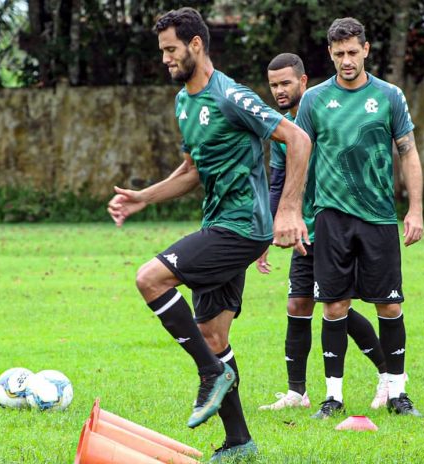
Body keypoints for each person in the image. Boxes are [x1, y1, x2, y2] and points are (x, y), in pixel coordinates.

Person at [107, 7, 312, 462]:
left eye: (171, 50)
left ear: (196, 45)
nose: (165, 59)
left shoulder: (231, 97)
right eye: (162, 51)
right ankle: (240, 442)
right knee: (213, 336)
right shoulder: (185, 102)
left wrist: (289, 210)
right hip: (218, 222)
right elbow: (192, 171)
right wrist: (144, 197)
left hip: (243, 226)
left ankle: (210, 375)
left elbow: (298, 140)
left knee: (150, 278)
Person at [294, 17, 424, 418]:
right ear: (330, 54)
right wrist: (294, 214)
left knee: (389, 305)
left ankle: (398, 394)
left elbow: (408, 153)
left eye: (353, 52)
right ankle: (332, 398)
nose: (346, 61)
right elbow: (299, 157)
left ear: (366, 50)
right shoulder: (313, 100)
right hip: (330, 218)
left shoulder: (389, 96)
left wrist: (415, 209)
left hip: (380, 218)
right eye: (338, 54)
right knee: (334, 306)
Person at [256, 53, 390, 412]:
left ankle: (387, 378)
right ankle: (297, 393)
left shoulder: (328, 113)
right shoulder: (282, 129)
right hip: (303, 233)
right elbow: (277, 184)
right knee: (298, 303)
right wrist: (267, 234)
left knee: (336, 303)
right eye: (273, 85)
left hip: (337, 228)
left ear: (304, 82)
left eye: (286, 83)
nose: (279, 91)